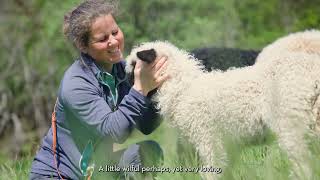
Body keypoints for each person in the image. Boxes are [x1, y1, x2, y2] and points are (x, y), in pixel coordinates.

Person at [29, 0, 169, 179]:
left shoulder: (121, 70)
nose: (113, 42)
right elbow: (113, 132)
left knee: (148, 152)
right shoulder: (76, 83)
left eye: (115, 32)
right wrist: (141, 88)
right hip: (58, 175)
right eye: (102, 39)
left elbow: (147, 125)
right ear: (83, 46)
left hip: (96, 167)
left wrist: (155, 89)